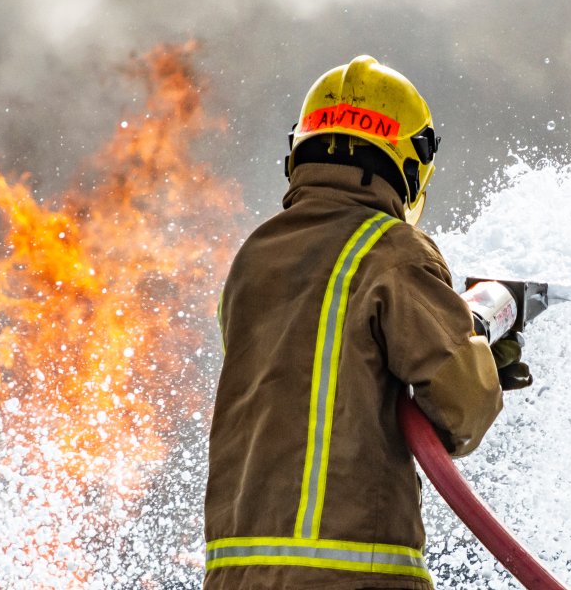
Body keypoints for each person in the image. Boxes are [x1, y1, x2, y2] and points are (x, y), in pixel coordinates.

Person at [204, 55, 531, 589]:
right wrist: (475, 350)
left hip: (236, 577)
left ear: (300, 149)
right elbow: (461, 410)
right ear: (409, 162)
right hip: (349, 577)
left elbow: (317, 381)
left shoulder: (255, 257)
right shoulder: (391, 249)